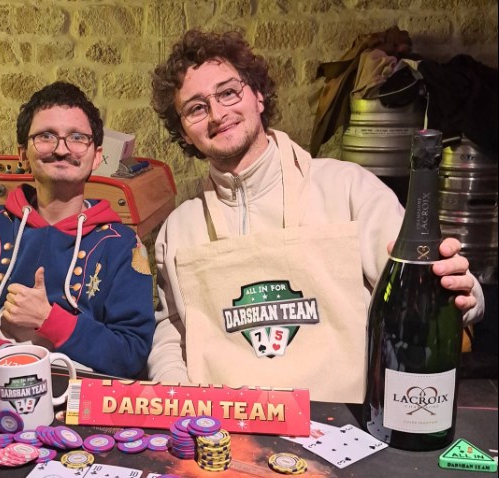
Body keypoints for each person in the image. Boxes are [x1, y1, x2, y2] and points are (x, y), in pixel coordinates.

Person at [147, 29, 485, 400]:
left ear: (258, 95)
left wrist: (462, 291)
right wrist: (175, 397)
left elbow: (423, 293)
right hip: (223, 427)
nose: (217, 114)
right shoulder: (180, 229)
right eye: (196, 108)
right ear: (183, 131)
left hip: (344, 423)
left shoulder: (349, 190)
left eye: (228, 92)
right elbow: (174, 332)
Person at [0, 81, 155, 378]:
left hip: (78, 396)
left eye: (77, 137)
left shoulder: (122, 245)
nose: (61, 149)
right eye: (46, 136)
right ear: (22, 153)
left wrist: (49, 319)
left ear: (97, 155)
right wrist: (3, 356)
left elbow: (132, 352)